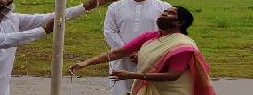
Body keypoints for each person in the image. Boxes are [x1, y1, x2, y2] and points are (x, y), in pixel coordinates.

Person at [72, 6, 216, 95]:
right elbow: (118, 53)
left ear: (180, 22)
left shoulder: (182, 45)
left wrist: (132, 75)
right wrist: (87, 62)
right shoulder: (150, 37)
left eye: (170, 13)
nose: (164, 14)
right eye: (164, 12)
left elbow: (173, 75)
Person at [103, 0, 171, 94]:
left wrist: (144, 53)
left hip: (152, 58)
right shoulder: (115, 7)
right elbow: (109, 32)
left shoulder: (163, 7)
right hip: (121, 59)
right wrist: (127, 52)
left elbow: (169, 34)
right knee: (121, 91)